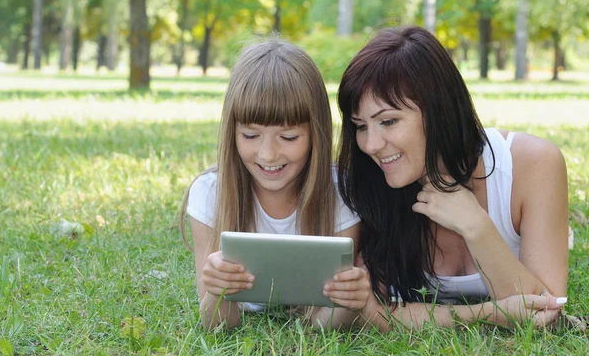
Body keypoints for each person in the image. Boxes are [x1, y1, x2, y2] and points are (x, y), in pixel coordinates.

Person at [322, 25, 569, 330]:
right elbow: (375, 313)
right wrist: (491, 313)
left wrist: (476, 226)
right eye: (361, 126)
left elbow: (545, 313)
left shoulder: (532, 164)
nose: (371, 145)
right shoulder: (367, 182)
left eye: (388, 121)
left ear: (439, 110)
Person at [180, 37, 365, 330]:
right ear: (232, 132)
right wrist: (217, 291)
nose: (268, 154)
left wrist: (350, 302)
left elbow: (326, 325)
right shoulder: (209, 194)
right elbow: (217, 325)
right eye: (250, 136)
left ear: (315, 133)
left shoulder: (341, 192)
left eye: (288, 137)